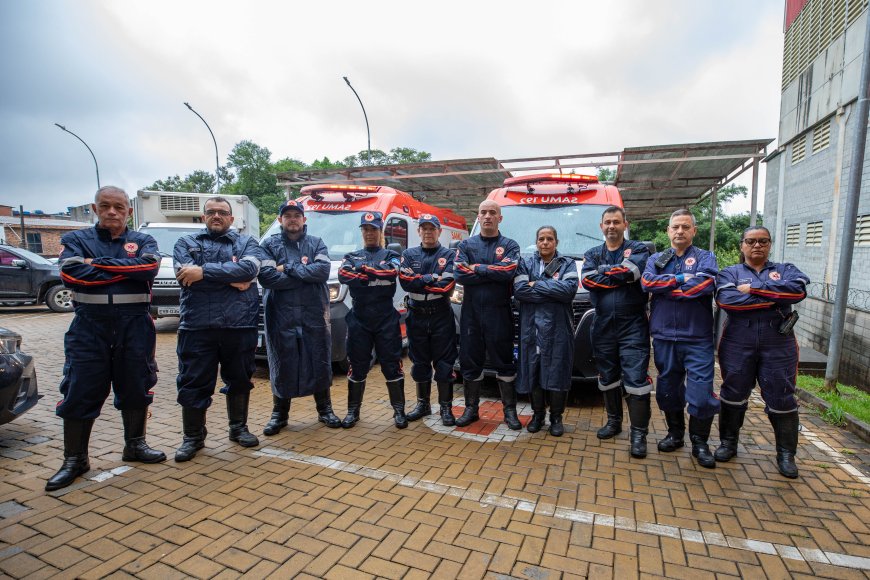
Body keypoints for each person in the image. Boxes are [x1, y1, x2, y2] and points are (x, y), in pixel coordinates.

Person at [47, 186, 165, 491]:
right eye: (105, 206)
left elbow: (149, 268)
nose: (112, 212)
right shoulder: (76, 240)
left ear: (128, 210)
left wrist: (94, 264)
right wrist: (126, 271)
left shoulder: (143, 240)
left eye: (118, 207)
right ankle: (75, 459)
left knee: (137, 384)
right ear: (95, 208)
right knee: (80, 388)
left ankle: (135, 445)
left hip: (134, 326)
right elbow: (71, 275)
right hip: (90, 326)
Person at [714, 226, 809, 478]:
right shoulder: (728, 272)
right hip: (737, 340)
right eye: (751, 241)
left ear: (770, 244)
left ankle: (786, 455)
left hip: (778, 342)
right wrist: (777, 296)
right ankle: (728, 444)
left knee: (782, 396)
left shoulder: (786, 269)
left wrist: (753, 290)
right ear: (741, 245)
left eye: (763, 241)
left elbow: (798, 291)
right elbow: (727, 301)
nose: (757, 245)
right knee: (733, 393)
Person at [173, 197, 262, 462]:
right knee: (193, 382)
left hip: (239, 324)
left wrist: (202, 273)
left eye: (222, 212)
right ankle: (193, 437)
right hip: (197, 325)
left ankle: (238, 428)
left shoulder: (246, 242)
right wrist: (231, 278)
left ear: (231, 219)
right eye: (211, 212)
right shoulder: (185, 243)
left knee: (240, 379)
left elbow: (249, 268)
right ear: (203, 217)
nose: (216, 216)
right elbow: (183, 276)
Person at [641, 209, 720, 468]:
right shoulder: (657, 258)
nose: (680, 231)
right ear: (668, 231)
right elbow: (647, 283)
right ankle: (675, 434)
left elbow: (704, 285)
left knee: (700, 393)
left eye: (685, 227)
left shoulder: (705, 257)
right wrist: (679, 280)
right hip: (664, 336)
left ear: (694, 231)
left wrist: (670, 289)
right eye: (675, 227)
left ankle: (700, 442)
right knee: (668, 390)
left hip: (697, 337)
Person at [259, 201, 339, 434]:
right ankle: (279, 415)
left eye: (297, 215)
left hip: (313, 313)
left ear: (304, 220)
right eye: (288, 216)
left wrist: (287, 268)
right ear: (280, 219)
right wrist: (304, 274)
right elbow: (267, 278)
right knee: (282, 361)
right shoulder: (269, 245)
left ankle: (325, 410)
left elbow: (322, 272)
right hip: (281, 315)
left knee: (319, 359)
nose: (292, 219)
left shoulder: (317, 243)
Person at [581, 207, 652, 457]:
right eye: (607, 222)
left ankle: (638, 435)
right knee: (607, 376)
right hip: (602, 325)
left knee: (636, 380)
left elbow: (633, 272)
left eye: (616, 222)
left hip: (632, 324)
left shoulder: (639, 249)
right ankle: (614, 423)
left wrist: (604, 273)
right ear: (601, 227)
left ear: (625, 224)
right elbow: (587, 280)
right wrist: (618, 275)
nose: (611, 226)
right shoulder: (592, 253)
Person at [454, 200, 521, 428]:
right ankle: (471, 410)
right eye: (483, 212)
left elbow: (508, 272)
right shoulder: (466, 245)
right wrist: (492, 270)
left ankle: (509, 412)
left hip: (499, 313)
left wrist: (477, 268)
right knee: (470, 361)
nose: (488, 216)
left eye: (493, 212)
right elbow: (459, 274)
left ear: (500, 218)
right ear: (478, 216)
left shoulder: (510, 245)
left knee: (504, 363)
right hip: (471, 314)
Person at [337, 211, 406, 428]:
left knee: (391, 365)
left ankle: (399, 412)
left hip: (386, 318)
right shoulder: (351, 256)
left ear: (380, 231)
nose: (369, 233)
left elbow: (392, 272)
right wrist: (374, 273)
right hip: (359, 318)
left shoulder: (391, 255)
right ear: (362, 232)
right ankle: (352, 412)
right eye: (365, 229)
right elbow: (343, 275)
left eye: (373, 229)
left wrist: (364, 272)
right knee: (357, 365)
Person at [514, 226, 578, 436]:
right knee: (534, 369)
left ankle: (556, 418)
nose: (545, 242)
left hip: (558, 327)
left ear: (556, 242)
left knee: (558, 370)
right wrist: (551, 288)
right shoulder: (526, 262)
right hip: (531, 327)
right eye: (541, 238)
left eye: (549, 239)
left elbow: (568, 291)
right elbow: (520, 291)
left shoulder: (566, 263)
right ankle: (538, 415)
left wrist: (537, 284)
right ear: (536, 241)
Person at [399, 214, 458, 426]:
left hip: (441, 314)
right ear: (418, 231)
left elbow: (447, 286)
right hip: (416, 315)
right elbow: (405, 282)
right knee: (419, 361)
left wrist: (419, 281)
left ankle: (445, 408)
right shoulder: (408, 253)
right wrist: (432, 277)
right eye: (423, 228)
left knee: (444, 363)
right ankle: (423, 404)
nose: (427, 232)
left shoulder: (449, 254)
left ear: (439, 231)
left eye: (432, 228)